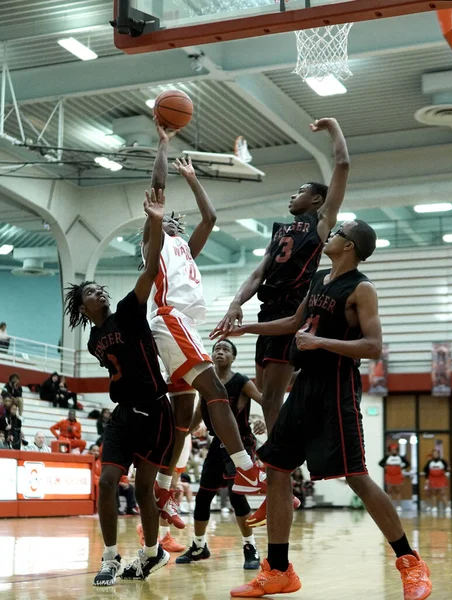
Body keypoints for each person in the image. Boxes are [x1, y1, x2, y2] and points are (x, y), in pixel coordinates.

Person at [226, 220, 432, 600]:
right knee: (277, 469)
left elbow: (373, 347)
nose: (330, 235)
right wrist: (245, 329)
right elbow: (292, 323)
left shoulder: (362, 288)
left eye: (337, 232)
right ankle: (279, 571)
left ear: (349, 246)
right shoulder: (320, 277)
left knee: (355, 476)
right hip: (304, 386)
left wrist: (320, 342)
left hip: (337, 388)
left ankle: (411, 563)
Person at [142, 126, 266, 528]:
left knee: (182, 416)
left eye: (176, 220)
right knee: (215, 391)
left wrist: (193, 179)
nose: (174, 219)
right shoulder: (155, 242)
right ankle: (248, 469)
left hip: (188, 326)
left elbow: (210, 217)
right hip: (170, 317)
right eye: (168, 218)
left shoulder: (185, 250)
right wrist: (163, 143)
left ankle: (164, 489)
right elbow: (158, 188)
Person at [64, 187, 174, 586]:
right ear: (83, 308)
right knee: (107, 481)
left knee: (144, 491)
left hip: (156, 410)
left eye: (100, 288)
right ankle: (110, 557)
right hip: (124, 414)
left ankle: (150, 553)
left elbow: (149, 270)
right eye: (92, 292)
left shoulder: (128, 311)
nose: (101, 292)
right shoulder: (94, 341)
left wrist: (154, 221)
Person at [213, 118, 350, 436]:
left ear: (316, 199)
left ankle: (277, 469)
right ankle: (284, 451)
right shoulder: (281, 231)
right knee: (268, 400)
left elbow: (342, 164)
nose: (292, 196)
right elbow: (258, 273)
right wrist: (236, 303)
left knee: (272, 399)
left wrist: (333, 129)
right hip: (267, 311)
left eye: (299, 192)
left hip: (292, 309)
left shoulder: (321, 221)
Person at [175, 339, 263, 570]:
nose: (220, 352)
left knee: (237, 496)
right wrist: (183, 434)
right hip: (217, 445)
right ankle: (199, 546)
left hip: (241, 443)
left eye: (225, 349)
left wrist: (263, 420)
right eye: (217, 349)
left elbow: (265, 400)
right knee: (203, 497)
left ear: (233, 357)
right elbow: (198, 413)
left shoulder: (242, 382)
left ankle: (250, 546)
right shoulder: (206, 382)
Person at [379, 444, 410, 514]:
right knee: (389, 491)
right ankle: (390, 506)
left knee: (398, 491)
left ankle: (399, 506)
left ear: (397, 451)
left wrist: (402, 467)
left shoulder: (400, 457)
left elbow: (408, 464)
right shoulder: (387, 457)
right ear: (390, 451)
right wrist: (385, 467)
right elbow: (380, 463)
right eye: (392, 450)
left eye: (395, 450)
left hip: (398, 476)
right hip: (389, 476)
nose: (394, 451)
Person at [424, 450, 451, 516]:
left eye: (436, 454)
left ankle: (447, 507)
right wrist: (427, 479)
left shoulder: (442, 461)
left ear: (438, 454)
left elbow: (447, 468)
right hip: (432, 479)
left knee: (443, 493)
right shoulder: (430, 462)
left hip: (441, 479)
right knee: (433, 493)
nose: (435, 455)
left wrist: (448, 471)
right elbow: (425, 470)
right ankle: (434, 507)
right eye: (434, 454)